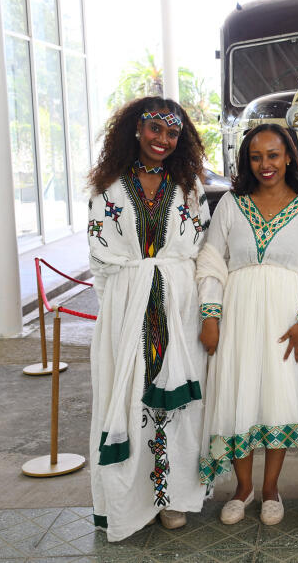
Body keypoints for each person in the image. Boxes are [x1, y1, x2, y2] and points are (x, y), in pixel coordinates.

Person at [86, 96, 211, 541]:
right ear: (137, 129)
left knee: (179, 404)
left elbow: (201, 251)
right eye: (155, 128)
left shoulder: (189, 188)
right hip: (127, 306)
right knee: (129, 397)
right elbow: (100, 261)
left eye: (172, 132)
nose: (163, 139)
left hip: (180, 306)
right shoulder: (109, 188)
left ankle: (172, 497)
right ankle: (132, 501)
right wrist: (121, 308)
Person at [196, 124, 298, 526]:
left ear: (288, 156)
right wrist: (210, 316)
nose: (265, 164)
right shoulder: (232, 204)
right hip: (237, 315)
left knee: (277, 397)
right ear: (246, 161)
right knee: (238, 395)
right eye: (256, 157)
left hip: (285, 321)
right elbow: (211, 261)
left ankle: (271, 489)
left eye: (273, 155)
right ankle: (243, 489)